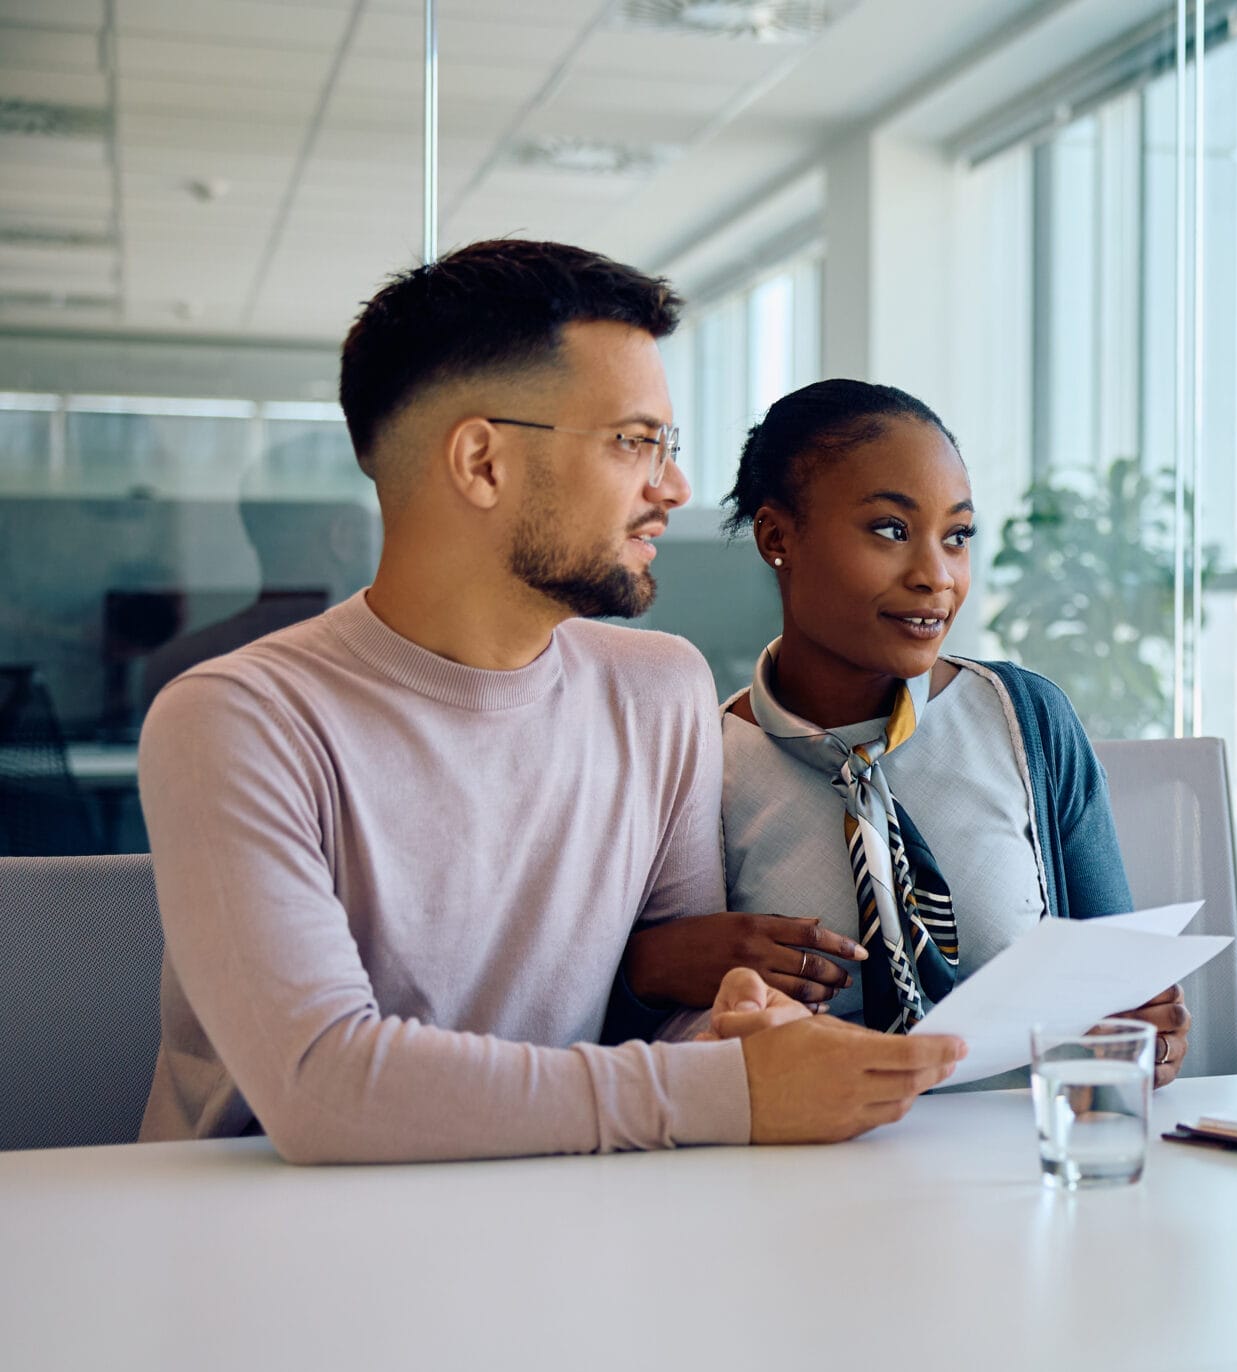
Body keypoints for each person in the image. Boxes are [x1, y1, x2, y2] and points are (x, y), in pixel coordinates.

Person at [137, 239, 966, 1162]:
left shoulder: (658, 687)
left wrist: (730, 1026)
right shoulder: (235, 719)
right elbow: (322, 1088)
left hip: (552, 1206)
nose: (674, 489)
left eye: (668, 446)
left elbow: (661, 1015)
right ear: (483, 462)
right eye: (634, 442)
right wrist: (729, 1085)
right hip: (258, 1243)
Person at [618, 379, 1192, 1086]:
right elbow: (642, 1028)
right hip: (803, 1170)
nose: (936, 577)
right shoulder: (701, 759)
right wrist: (652, 969)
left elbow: (1127, 1003)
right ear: (776, 536)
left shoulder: (1027, 721)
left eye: (956, 537)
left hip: (1018, 1167)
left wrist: (1146, 1036)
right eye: (891, 530)